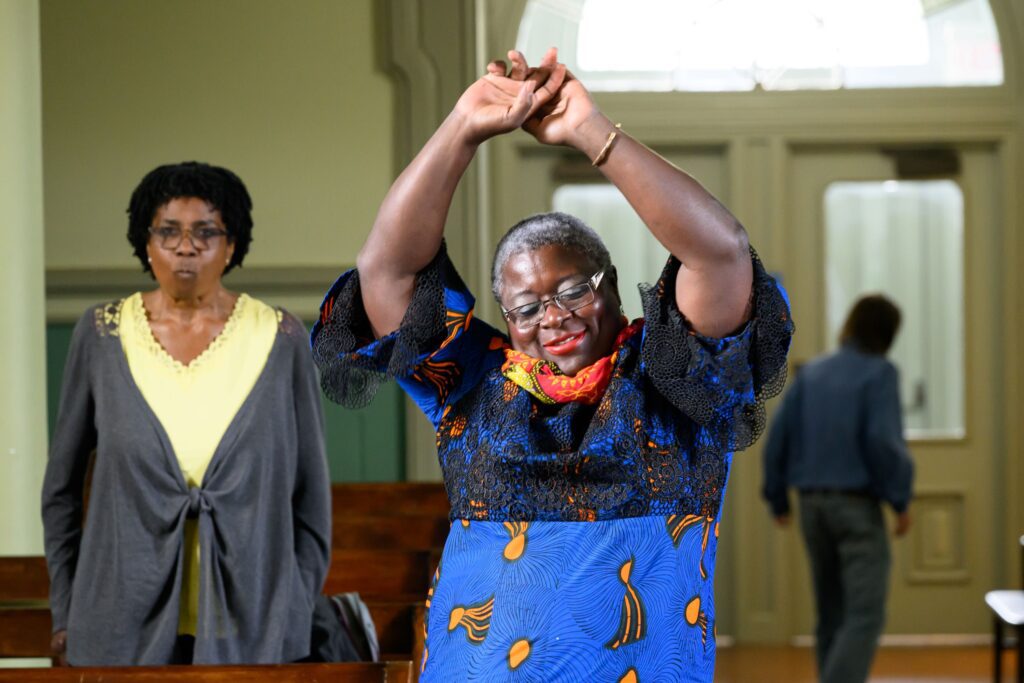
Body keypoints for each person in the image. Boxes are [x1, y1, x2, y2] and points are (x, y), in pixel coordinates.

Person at [312, 48, 793, 681]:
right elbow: (387, 271)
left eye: (574, 291)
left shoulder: (677, 379)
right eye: (526, 307)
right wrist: (462, 125)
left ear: (614, 285)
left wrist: (591, 132)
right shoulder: (472, 381)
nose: (554, 317)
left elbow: (723, 254)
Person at [41, 162, 332, 665]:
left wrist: (294, 605)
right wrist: (68, 610)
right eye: (168, 232)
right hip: (119, 622)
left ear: (232, 245)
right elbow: (61, 491)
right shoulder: (102, 333)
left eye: (206, 232)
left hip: (252, 625)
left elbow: (311, 498)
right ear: (145, 242)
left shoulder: (280, 338)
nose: (185, 247)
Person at [762, 294, 914, 683]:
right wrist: (900, 500)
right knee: (865, 614)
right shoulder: (879, 374)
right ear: (888, 333)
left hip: (811, 507)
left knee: (830, 612)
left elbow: (778, 438)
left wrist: (778, 496)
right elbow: (883, 443)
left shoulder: (812, 373)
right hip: (857, 509)